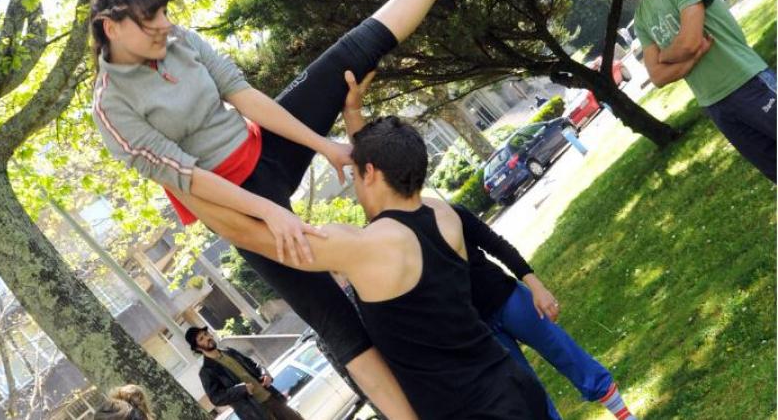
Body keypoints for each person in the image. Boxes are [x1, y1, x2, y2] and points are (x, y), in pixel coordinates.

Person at [90, 0, 484, 416]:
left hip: (263, 147)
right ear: (112, 26)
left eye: (165, 11)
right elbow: (189, 177)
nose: (165, 23)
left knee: (346, 58)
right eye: (151, 18)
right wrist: (273, 213)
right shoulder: (111, 108)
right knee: (332, 315)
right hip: (232, 203)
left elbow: (243, 95)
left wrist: (323, 143)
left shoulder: (179, 40)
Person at [180, 113, 551, 419]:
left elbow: (248, 235)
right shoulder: (442, 215)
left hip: (474, 411)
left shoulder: (361, 247)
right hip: (513, 382)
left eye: (356, 173)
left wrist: (176, 180)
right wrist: (354, 112)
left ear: (370, 172)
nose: (354, 182)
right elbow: (386, 178)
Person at [591, 0, 776, 182]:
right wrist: (688, 54)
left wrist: (668, 55)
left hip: (748, 83)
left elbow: (689, 42)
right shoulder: (642, 18)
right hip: (714, 105)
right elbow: (657, 76)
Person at [454, 205, 638, 420]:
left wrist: (537, 288)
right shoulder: (408, 244)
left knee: (568, 354)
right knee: (526, 396)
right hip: (479, 329)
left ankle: (625, 416)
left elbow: (498, 246)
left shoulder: (451, 213)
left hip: (508, 299)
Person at [185, 326, 304, 420]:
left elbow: (255, 365)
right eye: (201, 339)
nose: (207, 338)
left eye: (205, 334)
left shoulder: (230, 352)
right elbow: (216, 398)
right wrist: (241, 389)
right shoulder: (206, 371)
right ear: (197, 348)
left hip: (272, 398)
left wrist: (265, 374)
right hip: (255, 412)